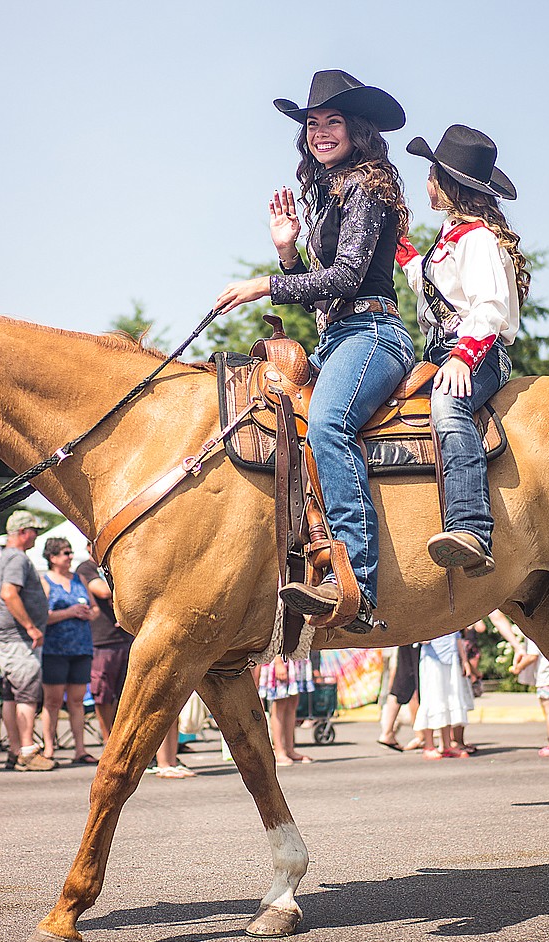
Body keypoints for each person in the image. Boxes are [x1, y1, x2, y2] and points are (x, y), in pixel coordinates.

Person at [215, 69, 414, 632]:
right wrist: (286, 254)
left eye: (333, 122)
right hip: (339, 336)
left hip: (374, 336)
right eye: (312, 124)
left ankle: (357, 584)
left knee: (327, 425)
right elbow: (322, 292)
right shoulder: (330, 194)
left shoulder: (369, 188)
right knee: (275, 416)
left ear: (357, 130)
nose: (320, 132)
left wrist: (265, 285)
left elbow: (349, 279)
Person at [397, 124, 526, 574]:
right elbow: (434, 288)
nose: (426, 181)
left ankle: (472, 528)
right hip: (441, 350)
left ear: (447, 183)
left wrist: (462, 356)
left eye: (431, 173)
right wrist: (402, 250)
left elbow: (488, 308)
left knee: (449, 407)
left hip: (478, 352)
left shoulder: (478, 239)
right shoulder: (451, 238)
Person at [0, 510, 55, 772]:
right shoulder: (17, 558)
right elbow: (9, 593)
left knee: (11, 694)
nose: (36, 537)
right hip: (19, 638)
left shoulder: (5, 557)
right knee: (27, 693)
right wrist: (30, 627)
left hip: (9, 637)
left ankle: (15, 749)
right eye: (34, 531)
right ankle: (27, 750)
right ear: (23, 533)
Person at [39, 536, 99, 765]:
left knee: (77, 701)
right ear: (52, 557)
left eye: (70, 552)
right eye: (65, 553)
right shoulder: (45, 581)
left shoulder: (79, 579)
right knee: (52, 701)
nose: (70, 556)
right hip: (55, 649)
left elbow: (95, 610)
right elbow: (43, 616)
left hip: (81, 647)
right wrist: (71, 612)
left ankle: (80, 749)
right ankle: (49, 748)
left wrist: (87, 613)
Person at [77, 553, 132, 744]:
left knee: (126, 695)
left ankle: (122, 740)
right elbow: (102, 591)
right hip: (102, 641)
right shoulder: (86, 568)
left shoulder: (115, 564)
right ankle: (109, 741)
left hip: (126, 638)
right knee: (103, 694)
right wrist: (123, 586)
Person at [414, 633, 473, 759]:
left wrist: (464, 660)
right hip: (432, 658)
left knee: (448, 700)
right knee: (432, 699)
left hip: (451, 658)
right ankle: (429, 745)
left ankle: (446, 745)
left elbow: (457, 636)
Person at [258, 655, 315, 765]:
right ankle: (279, 751)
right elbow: (276, 637)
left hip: (295, 656)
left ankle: (289, 749)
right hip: (281, 657)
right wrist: (278, 662)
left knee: (292, 704)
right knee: (280, 704)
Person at [376, 644, 421, 752]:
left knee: (402, 681)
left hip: (406, 637)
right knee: (415, 681)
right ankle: (420, 736)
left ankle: (387, 732)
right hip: (417, 636)